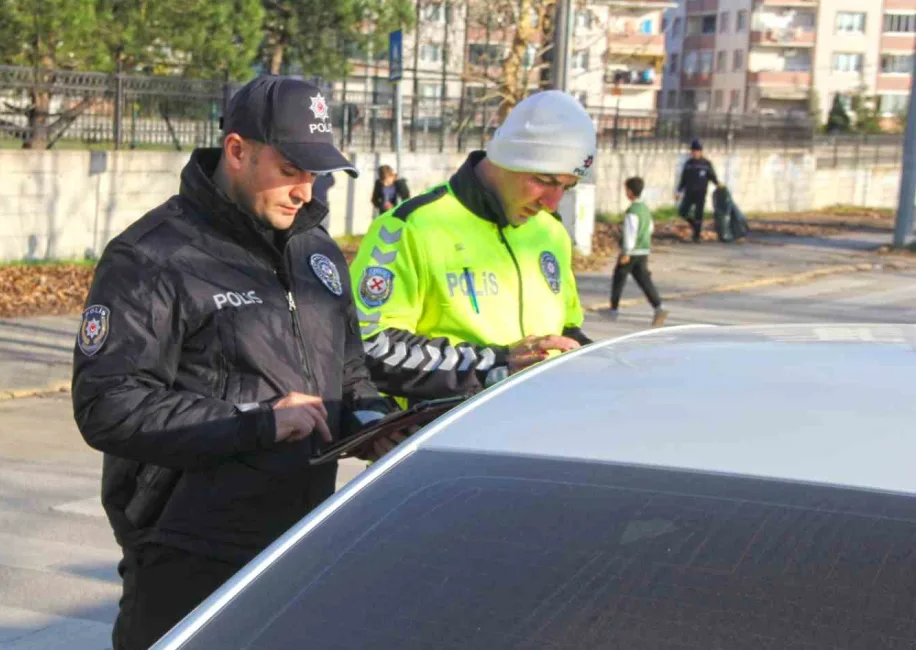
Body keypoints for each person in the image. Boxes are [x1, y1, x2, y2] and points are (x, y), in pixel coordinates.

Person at [71, 75, 398, 650]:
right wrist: (261, 420)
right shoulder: (152, 255)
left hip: (298, 537)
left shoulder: (315, 250)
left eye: (316, 173)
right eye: (291, 169)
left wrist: (375, 425)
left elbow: (348, 371)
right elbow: (108, 403)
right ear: (238, 151)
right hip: (187, 552)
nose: (306, 189)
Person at [349, 90, 596, 402]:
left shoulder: (552, 233)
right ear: (507, 158)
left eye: (566, 187)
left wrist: (595, 359)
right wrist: (492, 366)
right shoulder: (408, 227)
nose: (552, 202)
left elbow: (567, 328)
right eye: (545, 180)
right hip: (448, 442)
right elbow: (368, 345)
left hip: (538, 430)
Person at [606, 176, 669, 327]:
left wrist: (626, 252)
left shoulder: (632, 211)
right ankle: (659, 307)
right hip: (643, 249)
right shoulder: (645, 209)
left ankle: (613, 310)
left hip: (632, 251)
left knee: (619, 278)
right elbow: (650, 228)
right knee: (644, 280)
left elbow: (630, 232)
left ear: (629, 191)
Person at [675, 138, 721, 242]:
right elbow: (683, 179)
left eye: (696, 151)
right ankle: (694, 225)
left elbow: (712, 176)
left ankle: (696, 236)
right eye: (693, 151)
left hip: (701, 193)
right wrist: (679, 191)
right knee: (683, 212)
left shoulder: (706, 164)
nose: (694, 153)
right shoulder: (689, 164)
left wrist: (718, 184)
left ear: (700, 151)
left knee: (698, 215)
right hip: (689, 192)